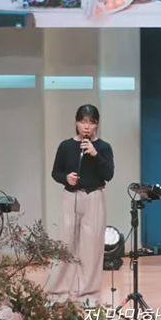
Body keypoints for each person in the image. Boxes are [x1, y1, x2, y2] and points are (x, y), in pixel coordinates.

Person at [45, 105, 114, 308]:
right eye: (83, 122)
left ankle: (88, 294)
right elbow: (56, 172)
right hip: (71, 196)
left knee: (91, 248)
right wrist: (66, 178)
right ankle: (57, 292)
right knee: (64, 244)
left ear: (97, 125)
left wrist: (95, 154)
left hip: (94, 196)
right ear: (76, 122)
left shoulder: (103, 147)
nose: (86, 127)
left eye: (91, 123)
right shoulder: (66, 146)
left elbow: (109, 174)